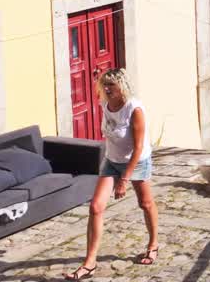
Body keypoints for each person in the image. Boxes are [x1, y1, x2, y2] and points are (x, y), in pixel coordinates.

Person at [67, 69, 157, 280]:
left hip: (137, 161)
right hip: (112, 161)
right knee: (96, 207)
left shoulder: (134, 110)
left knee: (145, 203)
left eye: (111, 85)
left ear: (122, 86)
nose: (107, 89)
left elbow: (138, 147)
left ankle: (153, 244)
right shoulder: (105, 104)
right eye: (104, 85)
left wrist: (124, 180)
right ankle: (89, 263)